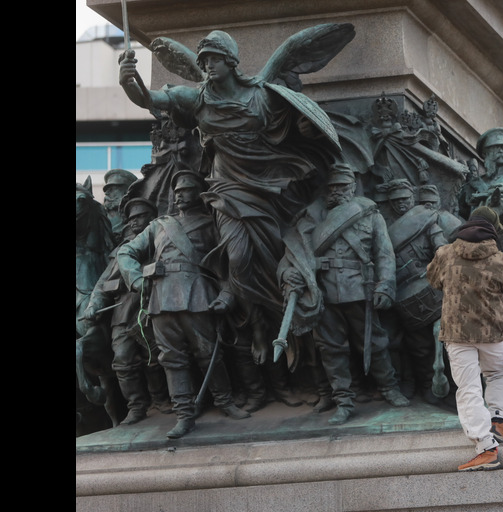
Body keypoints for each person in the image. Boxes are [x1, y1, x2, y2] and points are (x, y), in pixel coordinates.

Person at [118, 29, 343, 372]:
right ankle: (254, 325)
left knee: (273, 253)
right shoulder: (196, 99)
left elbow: (298, 124)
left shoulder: (261, 94)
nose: (207, 65)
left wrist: (308, 131)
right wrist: (127, 82)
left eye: (213, 58)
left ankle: (286, 317)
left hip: (272, 180)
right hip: (227, 186)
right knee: (237, 255)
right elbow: (150, 99)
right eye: (203, 60)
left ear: (231, 61)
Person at [116, 170, 251, 439]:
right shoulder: (158, 225)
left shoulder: (212, 224)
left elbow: (228, 265)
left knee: (208, 353)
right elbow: (125, 251)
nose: (179, 194)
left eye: (186, 189)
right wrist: (136, 281)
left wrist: (226, 295)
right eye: (176, 190)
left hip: (197, 295)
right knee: (172, 360)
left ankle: (224, 401)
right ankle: (184, 414)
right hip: (161, 298)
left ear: (198, 193)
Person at [278, 164, 411, 425]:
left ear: (353, 187)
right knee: (331, 349)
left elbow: (384, 254)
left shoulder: (369, 214)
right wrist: (287, 274)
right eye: (332, 187)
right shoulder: (311, 217)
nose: (337, 191)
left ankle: (389, 389)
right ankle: (343, 400)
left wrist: (385, 285)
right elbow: (292, 254)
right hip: (322, 292)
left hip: (359, 289)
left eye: (342, 186)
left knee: (375, 343)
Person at [427, 206, 503, 472]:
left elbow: (433, 280)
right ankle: (498, 419)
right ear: (493, 229)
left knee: (468, 388)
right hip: (491, 333)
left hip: (457, 336)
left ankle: (485, 446)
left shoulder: (445, 254)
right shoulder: (502, 261)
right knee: (496, 375)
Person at [82, 197, 171, 424]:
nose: (133, 223)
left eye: (139, 217)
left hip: (153, 310)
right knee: (123, 360)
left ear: (152, 218)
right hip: (122, 314)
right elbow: (102, 285)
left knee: (152, 359)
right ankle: (136, 406)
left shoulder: (162, 243)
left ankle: (160, 401)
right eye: (130, 219)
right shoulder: (121, 251)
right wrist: (94, 306)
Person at [384, 180, 451, 402]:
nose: (401, 204)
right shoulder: (385, 227)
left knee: (446, 342)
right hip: (402, 294)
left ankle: (450, 387)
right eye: (396, 201)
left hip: (432, 286)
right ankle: (423, 385)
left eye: (405, 199)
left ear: (412, 198)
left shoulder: (426, 220)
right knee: (416, 346)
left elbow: (441, 248)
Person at [102, 169, 138, 244]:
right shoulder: (100, 216)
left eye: (112, 189)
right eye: (107, 190)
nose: (107, 193)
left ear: (127, 191)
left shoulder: (137, 215)